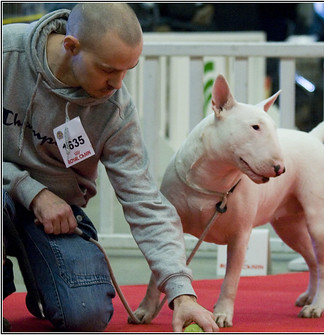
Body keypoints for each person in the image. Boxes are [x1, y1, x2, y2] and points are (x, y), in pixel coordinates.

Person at [2, 3, 218, 332]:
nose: (117, 84)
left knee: (86, 315)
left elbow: (144, 200)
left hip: (56, 219)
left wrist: (181, 292)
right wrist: (32, 192)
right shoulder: (7, 52)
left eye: (126, 70)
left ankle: (43, 281)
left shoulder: (116, 109)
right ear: (70, 46)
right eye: (107, 70)